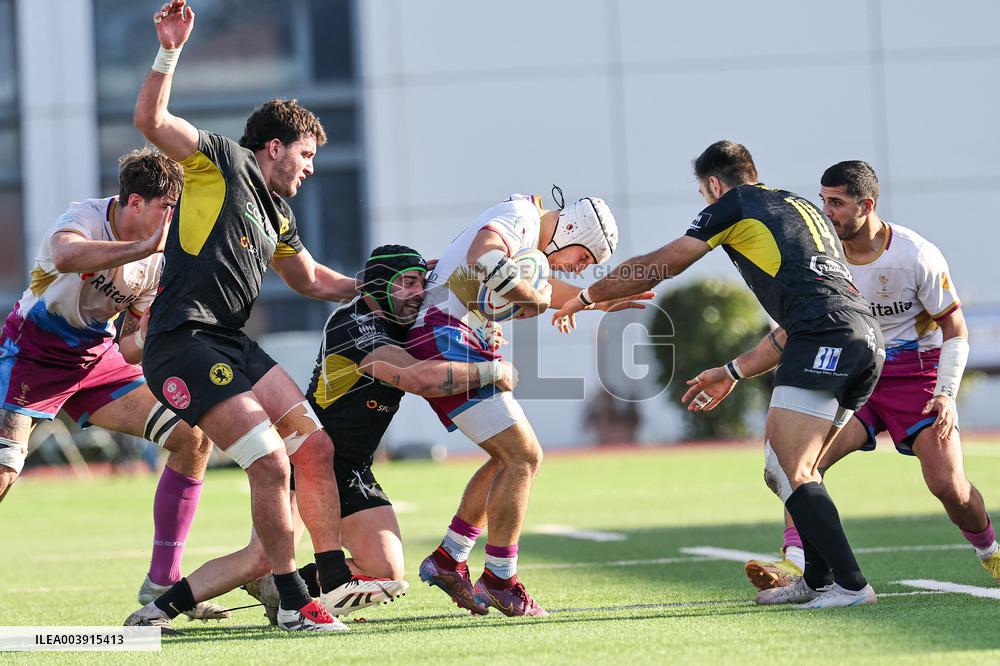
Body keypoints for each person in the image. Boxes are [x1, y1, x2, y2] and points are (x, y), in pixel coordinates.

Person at [125, 0, 402, 633]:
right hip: (183, 342)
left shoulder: (277, 213)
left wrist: (381, 290)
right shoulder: (221, 159)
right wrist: (169, 49)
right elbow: (151, 119)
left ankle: (324, 579)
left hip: (230, 344)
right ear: (273, 147)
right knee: (272, 463)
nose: (310, 169)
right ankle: (292, 603)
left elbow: (310, 279)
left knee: (316, 447)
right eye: (305, 156)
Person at [554, 141, 885, 609]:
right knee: (787, 468)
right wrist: (733, 370)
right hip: (860, 338)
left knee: (792, 467)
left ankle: (851, 586)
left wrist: (587, 296)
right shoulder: (798, 206)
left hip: (824, 336)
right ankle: (817, 580)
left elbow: (663, 264)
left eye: (704, 193)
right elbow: (801, 315)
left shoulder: (736, 202)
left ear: (713, 184)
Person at [171, 246, 518, 626]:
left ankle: (281, 589)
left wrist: (480, 334)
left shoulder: (399, 322)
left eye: (421, 283)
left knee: (386, 570)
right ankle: (159, 607)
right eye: (407, 282)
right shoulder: (354, 324)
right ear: (380, 284)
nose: (417, 292)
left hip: (352, 468)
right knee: (259, 556)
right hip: (311, 462)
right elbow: (419, 378)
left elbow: (448, 321)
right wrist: (491, 370)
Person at [696, 161, 1000, 591]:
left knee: (948, 486)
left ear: (867, 204)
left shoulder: (916, 254)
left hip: (918, 382)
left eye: (836, 202)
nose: (826, 211)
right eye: (822, 201)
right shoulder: (825, 256)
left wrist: (947, 394)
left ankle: (992, 553)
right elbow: (793, 331)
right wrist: (733, 371)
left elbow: (955, 327)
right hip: (858, 375)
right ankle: (800, 568)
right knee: (798, 463)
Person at [0, 147, 222, 619]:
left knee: (192, 437)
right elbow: (63, 254)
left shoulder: (156, 262)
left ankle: (162, 580)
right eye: (168, 208)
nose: (172, 220)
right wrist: (144, 248)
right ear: (135, 202)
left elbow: (128, 346)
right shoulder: (85, 216)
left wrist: (169, 328)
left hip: (96, 360)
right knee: (4, 469)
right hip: (31, 353)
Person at [411, 190, 652, 617]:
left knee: (509, 458)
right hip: (444, 336)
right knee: (524, 457)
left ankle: (450, 558)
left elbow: (539, 283)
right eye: (583, 257)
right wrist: (532, 297)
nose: (579, 267)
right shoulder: (523, 214)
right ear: (573, 229)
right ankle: (500, 579)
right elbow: (484, 251)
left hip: (449, 333)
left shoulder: (526, 229)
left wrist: (593, 299)